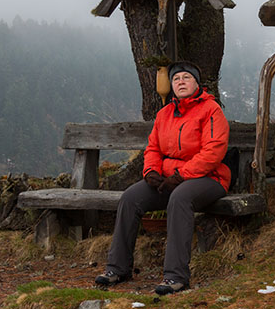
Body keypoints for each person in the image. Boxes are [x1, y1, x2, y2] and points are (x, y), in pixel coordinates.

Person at [95, 61, 231, 295]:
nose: (180, 82)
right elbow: (153, 149)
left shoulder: (211, 110)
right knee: (130, 197)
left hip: (209, 178)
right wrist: (151, 173)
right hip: (170, 179)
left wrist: (181, 176)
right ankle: (118, 268)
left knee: (179, 199)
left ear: (197, 84)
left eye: (186, 78)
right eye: (176, 79)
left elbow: (214, 152)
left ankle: (176, 276)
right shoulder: (164, 113)